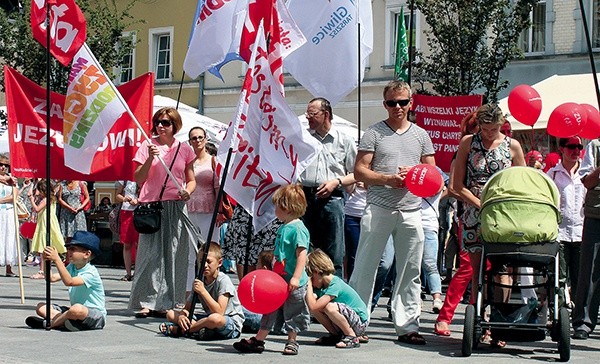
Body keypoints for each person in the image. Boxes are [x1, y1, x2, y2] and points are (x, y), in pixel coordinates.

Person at [349, 80, 435, 346]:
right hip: (379, 206)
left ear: (411, 103)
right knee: (366, 266)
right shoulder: (374, 133)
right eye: (391, 103)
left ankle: (408, 325)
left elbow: (432, 172)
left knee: (411, 270)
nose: (397, 107)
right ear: (385, 104)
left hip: (411, 209)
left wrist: (416, 174)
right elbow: (359, 171)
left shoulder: (421, 135)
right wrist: (387, 178)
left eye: (402, 102)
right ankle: (355, 321)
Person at [434, 104, 525, 343]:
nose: (489, 134)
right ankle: (478, 323)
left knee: (503, 271)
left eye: (494, 129)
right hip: (475, 214)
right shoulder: (468, 143)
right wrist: (479, 203)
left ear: (501, 124)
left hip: (503, 215)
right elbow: (455, 185)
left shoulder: (512, 146)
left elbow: (524, 182)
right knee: (476, 273)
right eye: (485, 129)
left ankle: (498, 325)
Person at [128, 107, 197, 318]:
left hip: (175, 205)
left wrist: (188, 192)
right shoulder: (147, 146)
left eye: (165, 122)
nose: (160, 126)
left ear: (174, 125)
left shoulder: (184, 149)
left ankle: (170, 301)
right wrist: (149, 158)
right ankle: (146, 301)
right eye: (158, 121)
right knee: (150, 254)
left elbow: (191, 179)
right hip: (152, 205)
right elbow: (138, 178)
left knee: (175, 254)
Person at [233, 184, 311, 355]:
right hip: (279, 279)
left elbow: (301, 254)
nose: (274, 209)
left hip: (293, 280)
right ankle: (259, 339)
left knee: (293, 311)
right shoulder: (284, 227)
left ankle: (292, 341)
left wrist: (296, 277)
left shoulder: (298, 228)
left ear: (287, 208)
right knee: (269, 310)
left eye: (276, 206)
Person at [299, 97, 357, 277]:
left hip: (333, 199)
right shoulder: (303, 139)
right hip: (305, 198)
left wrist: (336, 182)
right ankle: (309, 296)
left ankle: (334, 296)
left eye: (312, 114)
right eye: (307, 114)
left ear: (326, 114)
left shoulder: (344, 140)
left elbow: (357, 173)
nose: (308, 118)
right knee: (306, 249)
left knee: (334, 252)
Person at [158, 242, 244, 340]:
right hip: (208, 318)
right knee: (170, 314)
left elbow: (219, 312)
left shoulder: (224, 280)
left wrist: (203, 291)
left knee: (215, 319)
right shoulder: (200, 280)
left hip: (228, 321)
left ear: (219, 263)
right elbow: (187, 308)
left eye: (208, 261)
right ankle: (198, 330)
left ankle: (186, 330)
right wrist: (182, 316)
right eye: (201, 261)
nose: (205, 265)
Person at [25, 231, 106, 331]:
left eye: (73, 249)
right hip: (73, 312)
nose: (69, 252)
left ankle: (52, 323)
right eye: (68, 249)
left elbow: (69, 281)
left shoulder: (91, 273)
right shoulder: (72, 267)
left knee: (76, 309)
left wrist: (57, 260)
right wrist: (47, 262)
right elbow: (51, 278)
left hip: (95, 316)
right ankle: (67, 322)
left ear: (86, 254)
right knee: (41, 307)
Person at [547, 137, 585, 308]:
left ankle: (579, 316)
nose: (576, 150)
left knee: (580, 276)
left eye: (579, 147)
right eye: (571, 147)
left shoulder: (586, 173)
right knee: (559, 276)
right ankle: (560, 311)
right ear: (561, 148)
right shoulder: (552, 174)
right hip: (560, 232)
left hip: (582, 232)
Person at [306, 249, 369, 349]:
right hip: (347, 321)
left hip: (359, 322)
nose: (310, 281)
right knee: (317, 307)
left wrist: (308, 285)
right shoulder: (321, 287)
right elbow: (312, 305)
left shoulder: (335, 284)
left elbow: (314, 306)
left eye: (310, 277)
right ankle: (336, 336)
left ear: (317, 272)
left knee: (328, 307)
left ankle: (352, 336)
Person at [572, 137, 600, 340]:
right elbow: (588, 182)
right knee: (589, 270)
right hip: (596, 216)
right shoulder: (595, 146)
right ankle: (584, 321)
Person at [186, 126, 220, 291]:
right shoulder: (187, 162)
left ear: (206, 139)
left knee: (211, 252)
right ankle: (188, 293)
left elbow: (219, 188)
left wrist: (220, 211)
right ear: (190, 141)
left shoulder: (213, 160)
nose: (198, 140)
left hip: (210, 209)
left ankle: (213, 290)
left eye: (200, 137)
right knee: (190, 254)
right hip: (190, 209)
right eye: (194, 138)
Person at [223, 204, 281, 280]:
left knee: (268, 259)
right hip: (246, 209)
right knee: (244, 256)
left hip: (273, 211)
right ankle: (246, 289)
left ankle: (266, 288)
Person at [27, 179, 66, 279]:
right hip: (49, 222)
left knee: (43, 246)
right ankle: (46, 270)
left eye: (39, 190)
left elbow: (37, 209)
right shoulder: (51, 198)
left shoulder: (46, 199)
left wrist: (31, 200)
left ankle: (42, 271)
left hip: (45, 223)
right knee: (46, 246)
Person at [421, 169, 448, 313]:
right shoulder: (409, 167)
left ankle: (437, 298)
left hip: (429, 224)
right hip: (411, 222)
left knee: (430, 263)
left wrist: (437, 197)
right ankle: (415, 298)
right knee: (412, 265)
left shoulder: (436, 171)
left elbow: (451, 187)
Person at [115, 180, 139, 281]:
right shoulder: (124, 179)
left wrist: (138, 200)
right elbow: (117, 196)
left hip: (140, 211)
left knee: (139, 244)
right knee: (127, 244)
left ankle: (138, 272)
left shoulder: (143, 175)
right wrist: (124, 198)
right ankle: (128, 273)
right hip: (126, 212)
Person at [0, 153, 17, 277]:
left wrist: (1, 200)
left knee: (10, 236)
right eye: (0, 165)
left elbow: (14, 196)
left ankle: (9, 267)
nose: (3, 167)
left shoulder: (12, 178)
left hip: (9, 210)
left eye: (5, 165)